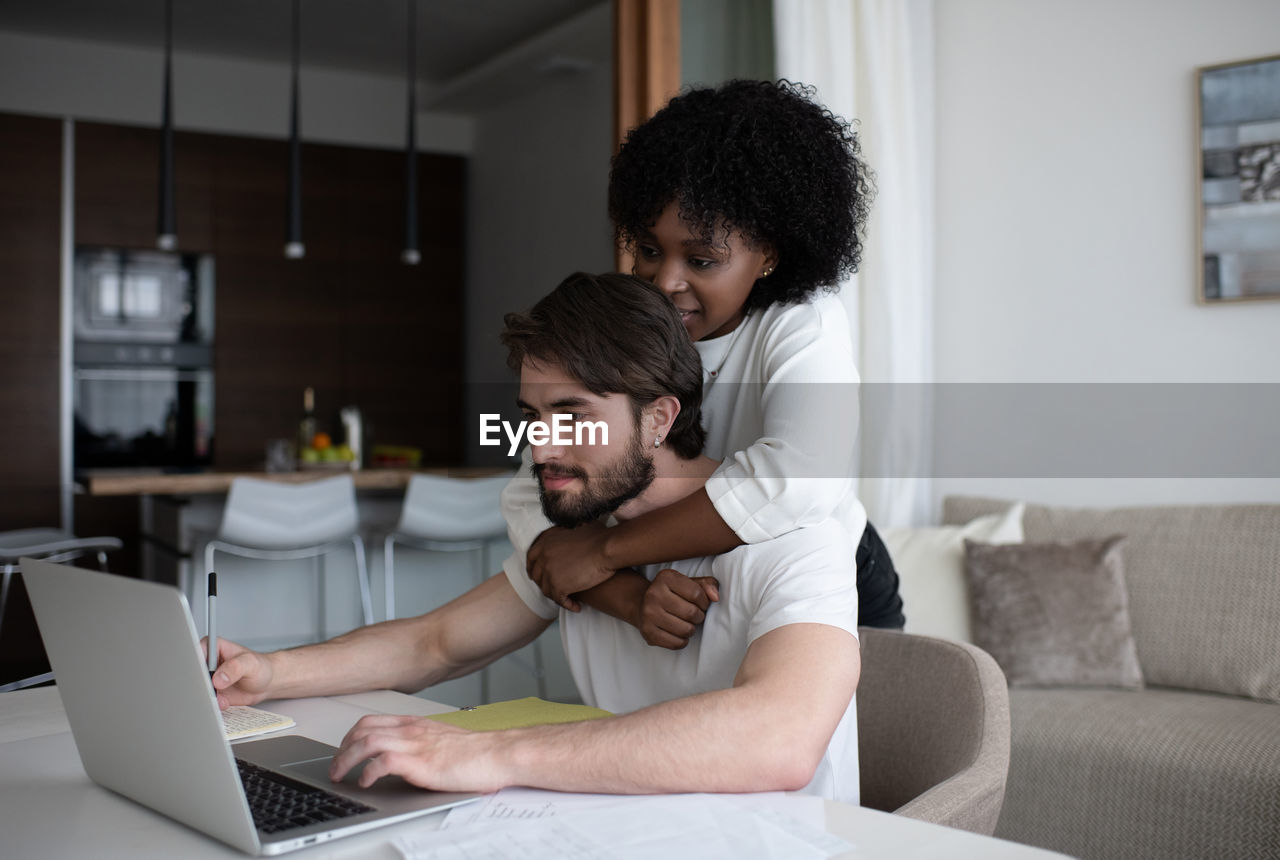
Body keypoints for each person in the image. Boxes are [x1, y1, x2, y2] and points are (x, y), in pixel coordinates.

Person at [210, 273, 861, 801]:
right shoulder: (582, 537)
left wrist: (491, 753)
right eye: (532, 417)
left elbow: (782, 736)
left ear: (659, 417)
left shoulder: (797, 538)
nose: (541, 447)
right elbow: (434, 644)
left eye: (572, 414)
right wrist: (267, 673)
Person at [503, 79, 903, 649]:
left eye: (702, 259)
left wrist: (604, 550)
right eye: (647, 249)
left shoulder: (801, 325)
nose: (665, 280)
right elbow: (530, 496)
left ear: (770, 254)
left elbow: (797, 484)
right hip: (702, 573)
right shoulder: (631, 323)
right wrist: (628, 598)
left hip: (837, 575)